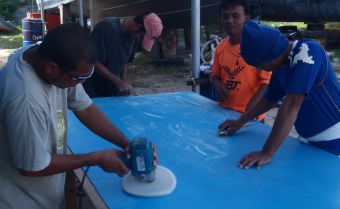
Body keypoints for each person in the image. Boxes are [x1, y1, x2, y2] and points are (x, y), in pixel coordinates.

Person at [0, 23, 131, 209]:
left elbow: (85, 108)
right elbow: (32, 166)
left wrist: (125, 143)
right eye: (78, 78)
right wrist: (94, 158)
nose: (82, 83)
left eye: (88, 74)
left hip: (42, 194)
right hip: (20, 201)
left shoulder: (47, 56)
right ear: (52, 68)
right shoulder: (25, 99)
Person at [219, 20, 340, 169]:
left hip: (334, 139)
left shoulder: (307, 53)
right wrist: (241, 121)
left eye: (260, 65)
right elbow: (269, 99)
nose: (259, 69)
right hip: (306, 138)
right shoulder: (282, 66)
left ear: (273, 56)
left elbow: (291, 105)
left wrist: (267, 152)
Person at [211, 0, 272, 122]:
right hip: (224, 112)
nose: (229, 20)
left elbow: (267, 82)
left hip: (251, 116)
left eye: (235, 16)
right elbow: (215, 75)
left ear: (246, 18)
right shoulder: (220, 48)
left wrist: (250, 111)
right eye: (225, 16)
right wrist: (216, 84)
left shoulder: (257, 46)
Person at [83, 12, 163, 97]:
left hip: (112, 88)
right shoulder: (107, 28)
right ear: (137, 27)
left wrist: (124, 80)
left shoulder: (134, 36)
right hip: (93, 89)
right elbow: (92, 62)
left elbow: (125, 60)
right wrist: (118, 81)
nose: (139, 40)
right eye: (142, 37)